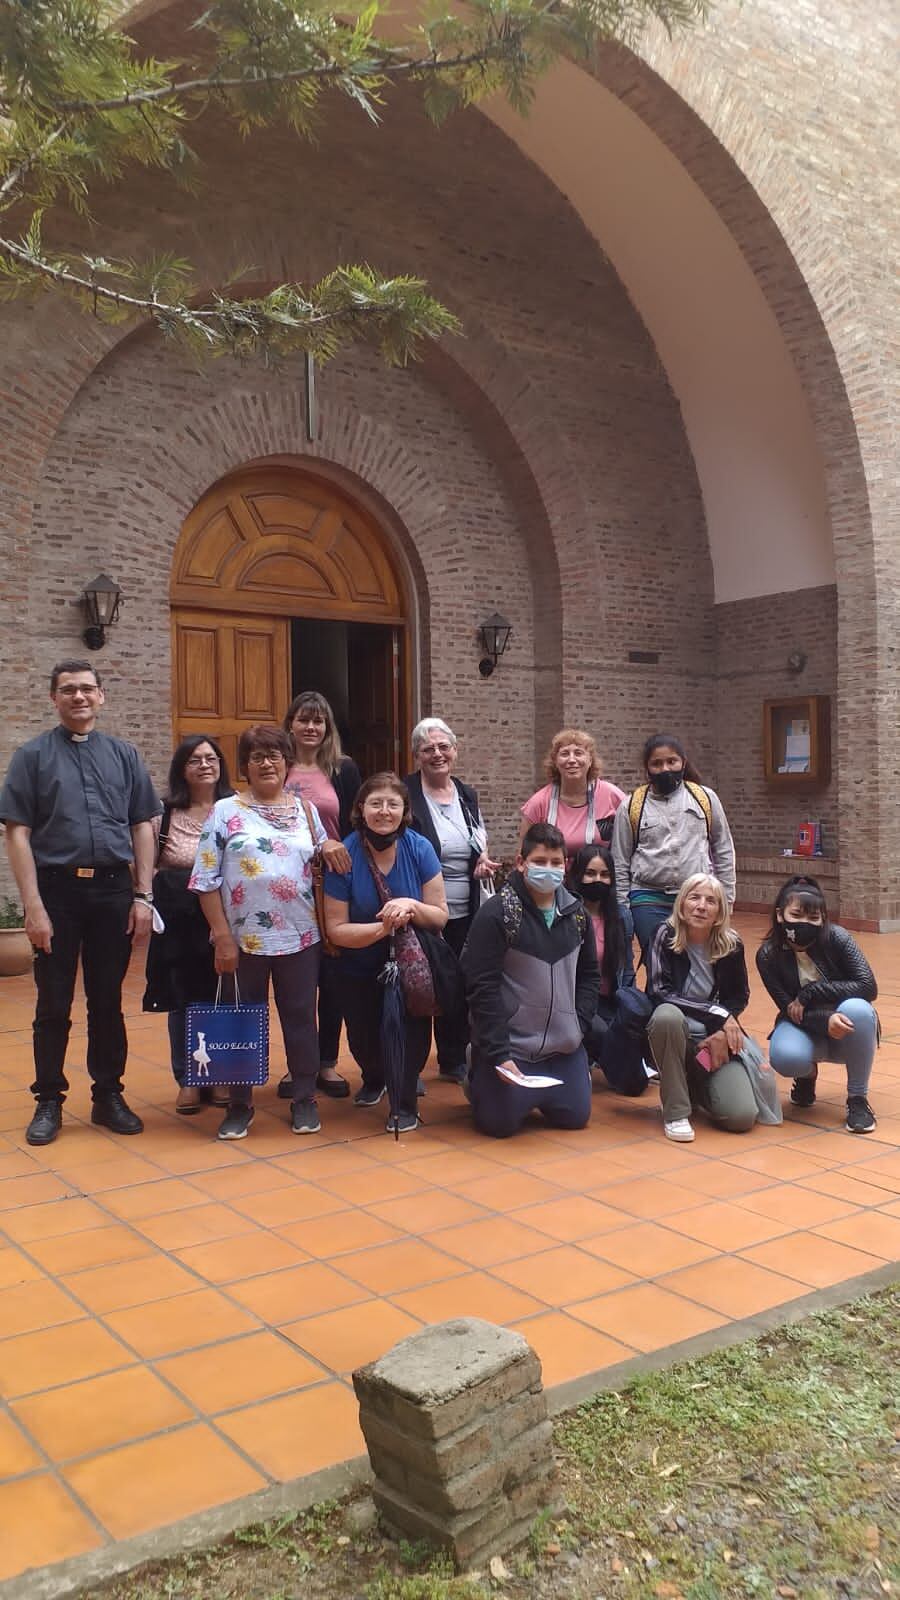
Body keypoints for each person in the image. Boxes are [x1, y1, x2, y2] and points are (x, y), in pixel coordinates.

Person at [0, 660, 160, 1145]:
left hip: (113, 891)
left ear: (102, 696)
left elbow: (142, 826)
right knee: (53, 1002)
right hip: (57, 893)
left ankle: (108, 1094)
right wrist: (33, 906)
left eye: (87, 689)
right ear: (54, 698)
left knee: (108, 1001)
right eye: (68, 690)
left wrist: (142, 896)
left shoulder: (125, 756)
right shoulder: (31, 757)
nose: (79, 697)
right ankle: (49, 1099)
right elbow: (18, 833)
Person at [189, 723, 327, 1140]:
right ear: (245, 766)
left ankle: (304, 1096)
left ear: (287, 763)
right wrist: (222, 935)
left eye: (274, 755)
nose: (267, 763)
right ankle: (239, 1103)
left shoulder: (306, 810)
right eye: (257, 756)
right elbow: (205, 878)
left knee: (301, 1017)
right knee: (239, 1019)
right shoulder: (226, 811)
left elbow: (324, 854)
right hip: (243, 938)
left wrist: (333, 846)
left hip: (302, 935)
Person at [323, 773, 448, 1134]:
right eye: (375, 803)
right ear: (360, 809)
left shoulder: (419, 848)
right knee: (363, 1036)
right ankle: (376, 1076)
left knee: (410, 1032)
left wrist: (409, 905)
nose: (384, 811)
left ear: (405, 810)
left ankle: (404, 1099)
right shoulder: (345, 855)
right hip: (359, 961)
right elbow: (336, 929)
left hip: (412, 964)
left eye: (393, 804)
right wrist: (383, 927)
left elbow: (439, 913)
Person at [461, 822, 599, 1138]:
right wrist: (498, 1052)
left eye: (555, 863)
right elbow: (482, 987)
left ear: (565, 866)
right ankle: (478, 1067)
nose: (547, 870)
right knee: (499, 1125)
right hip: (512, 1049)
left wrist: (578, 1027)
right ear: (521, 862)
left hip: (563, 1048)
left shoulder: (578, 914)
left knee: (576, 1117)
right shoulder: (497, 913)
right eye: (539, 861)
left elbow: (590, 976)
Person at [142, 735, 234, 1114]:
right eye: (195, 759)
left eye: (211, 758)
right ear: (182, 767)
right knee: (183, 998)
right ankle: (190, 1079)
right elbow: (145, 865)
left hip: (227, 913)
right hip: (179, 917)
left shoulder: (235, 809)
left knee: (223, 995)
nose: (205, 765)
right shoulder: (163, 813)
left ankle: (224, 1073)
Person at [405, 716, 499, 1085]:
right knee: (420, 982)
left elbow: (477, 837)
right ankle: (410, 1062)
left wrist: (482, 859)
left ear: (455, 751)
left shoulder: (465, 793)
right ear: (417, 755)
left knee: (458, 981)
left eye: (444, 746)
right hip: (423, 907)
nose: (437, 754)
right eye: (428, 748)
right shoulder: (406, 793)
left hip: (466, 905)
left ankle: (452, 1056)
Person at [281, 690, 362, 1101]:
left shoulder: (343, 769)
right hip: (285, 887)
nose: (311, 727)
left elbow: (354, 823)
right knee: (295, 978)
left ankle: (326, 1062)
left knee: (330, 979)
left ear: (327, 727)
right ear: (290, 724)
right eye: (303, 719)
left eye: (318, 721)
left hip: (332, 884)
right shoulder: (278, 767)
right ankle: (299, 1063)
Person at [756, 874, 878, 1133]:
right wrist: (824, 1019)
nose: (804, 923)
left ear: (823, 919)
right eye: (797, 915)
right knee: (785, 1057)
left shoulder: (838, 938)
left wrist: (812, 991)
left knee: (859, 1009)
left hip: (847, 1026)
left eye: (813, 918)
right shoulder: (767, 956)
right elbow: (788, 1008)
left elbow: (868, 986)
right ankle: (806, 1074)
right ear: (780, 915)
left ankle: (857, 1099)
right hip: (806, 1026)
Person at [646, 873, 756, 1141]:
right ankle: (676, 1111)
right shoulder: (665, 934)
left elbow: (738, 996)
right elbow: (660, 992)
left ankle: (697, 1085)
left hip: (713, 1035)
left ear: (719, 912)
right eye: (694, 897)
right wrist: (719, 1016)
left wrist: (721, 1032)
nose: (701, 906)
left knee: (740, 1116)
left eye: (711, 901)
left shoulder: (732, 943)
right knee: (666, 1017)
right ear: (682, 904)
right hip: (674, 1033)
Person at [612, 732, 736, 961]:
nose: (665, 769)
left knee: (698, 962)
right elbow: (620, 860)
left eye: (672, 761)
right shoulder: (630, 806)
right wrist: (623, 906)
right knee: (657, 964)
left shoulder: (705, 798)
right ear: (647, 768)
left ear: (683, 763)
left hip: (697, 898)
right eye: (657, 764)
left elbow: (723, 848)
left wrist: (726, 898)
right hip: (648, 898)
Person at [567, 844, 653, 1097]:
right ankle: (585, 1057)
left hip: (609, 1002)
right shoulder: (569, 916)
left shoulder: (622, 917)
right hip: (578, 1002)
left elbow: (626, 971)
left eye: (605, 875)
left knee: (635, 1085)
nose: (598, 880)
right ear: (578, 874)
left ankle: (606, 1057)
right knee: (602, 1034)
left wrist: (631, 1012)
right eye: (590, 873)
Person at [520, 728, 626, 863]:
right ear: (555, 762)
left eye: (578, 753)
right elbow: (523, 854)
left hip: (599, 880)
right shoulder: (539, 802)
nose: (571, 760)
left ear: (590, 760)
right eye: (564, 754)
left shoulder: (613, 796)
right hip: (553, 881)